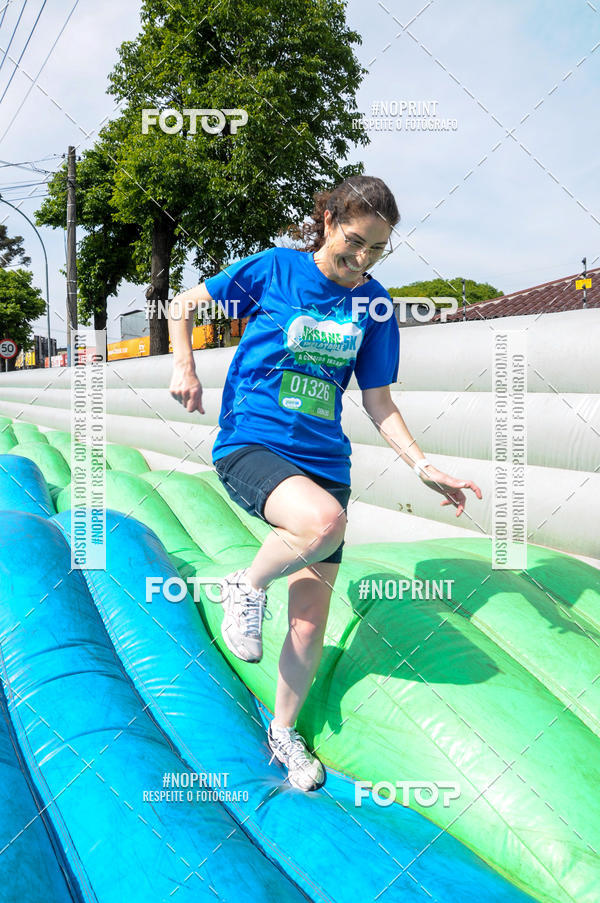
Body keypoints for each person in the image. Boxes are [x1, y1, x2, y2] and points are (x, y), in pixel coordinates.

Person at [168, 175, 482, 792]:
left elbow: (380, 402)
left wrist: (423, 466)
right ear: (330, 219)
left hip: (324, 464)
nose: (362, 260)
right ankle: (245, 583)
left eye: (377, 250)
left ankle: (282, 733)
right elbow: (182, 305)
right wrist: (185, 366)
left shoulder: (375, 306)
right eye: (355, 242)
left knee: (310, 619)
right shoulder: (276, 270)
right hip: (253, 444)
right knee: (322, 523)